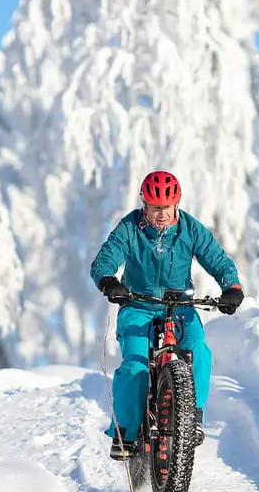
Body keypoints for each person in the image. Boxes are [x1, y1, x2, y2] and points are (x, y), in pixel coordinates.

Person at [90, 171, 243, 460]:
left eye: (166, 208)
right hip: (138, 305)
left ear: (177, 205)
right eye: (154, 208)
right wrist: (109, 281)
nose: (161, 215)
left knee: (199, 350)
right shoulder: (130, 228)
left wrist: (231, 287)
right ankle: (126, 433)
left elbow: (218, 260)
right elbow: (105, 259)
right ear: (144, 205)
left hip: (180, 306)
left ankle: (192, 418)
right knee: (134, 366)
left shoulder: (190, 229)